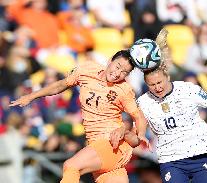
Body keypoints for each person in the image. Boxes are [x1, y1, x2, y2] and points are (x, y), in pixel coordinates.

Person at [132, 29, 207, 183]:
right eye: (152, 85)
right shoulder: (143, 101)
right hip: (171, 160)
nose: (157, 87)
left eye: (159, 82)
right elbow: (140, 124)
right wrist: (139, 134)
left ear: (167, 77)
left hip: (200, 155)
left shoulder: (188, 89)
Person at [9, 50, 149, 183]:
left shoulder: (124, 90)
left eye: (124, 72)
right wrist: (32, 96)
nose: (118, 73)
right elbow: (61, 85)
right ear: (110, 60)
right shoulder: (87, 70)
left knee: (71, 166)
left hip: (112, 145)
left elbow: (139, 116)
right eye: (117, 66)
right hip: (97, 148)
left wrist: (141, 134)